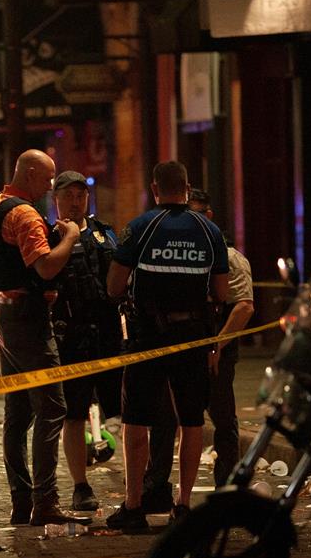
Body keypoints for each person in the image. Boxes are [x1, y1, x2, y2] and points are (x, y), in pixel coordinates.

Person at [0, 149, 91, 527]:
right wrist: (70, 236)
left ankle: (21, 500)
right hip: (27, 321)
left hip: (2, 315)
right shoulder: (23, 214)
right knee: (52, 407)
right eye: (48, 178)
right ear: (30, 172)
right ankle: (45, 500)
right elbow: (46, 264)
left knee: (18, 411)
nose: (51, 185)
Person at [106, 163, 229, 532]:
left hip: (147, 338)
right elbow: (221, 292)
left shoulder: (140, 228)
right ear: (188, 189)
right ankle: (185, 504)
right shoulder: (210, 231)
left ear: (154, 188)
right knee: (191, 421)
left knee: (136, 420)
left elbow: (114, 286)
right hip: (193, 336)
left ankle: (133, 506)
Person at [141, 189, 255, 501]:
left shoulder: (230, 258)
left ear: (209, 216)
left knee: (222, 418)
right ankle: (156, 486)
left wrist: (218, 346)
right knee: (166, 417)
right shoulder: (181, 254)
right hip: (182, 345)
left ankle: (227, 487)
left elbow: (244, 307)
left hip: (217, 348)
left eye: (197, 213)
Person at [49, 170, 122, 511]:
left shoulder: (105, 234)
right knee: (74, 414)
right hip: (72, 336)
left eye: (81, 194)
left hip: (107, 333)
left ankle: (139, 483)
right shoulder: (50, 236)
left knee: (126, 410)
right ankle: (81, 486)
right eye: (69, 195)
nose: (76, 200)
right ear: (57, 199)